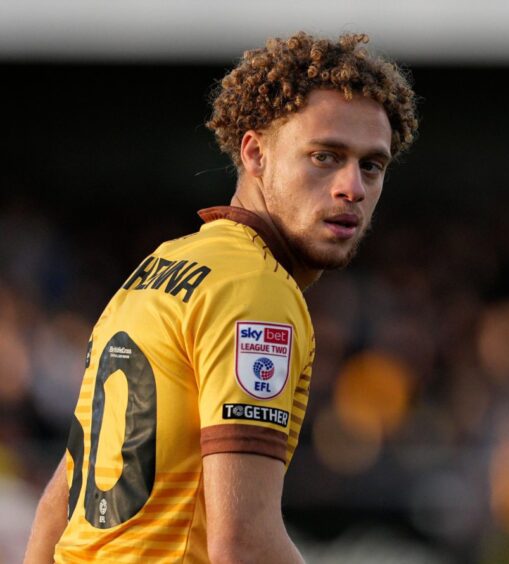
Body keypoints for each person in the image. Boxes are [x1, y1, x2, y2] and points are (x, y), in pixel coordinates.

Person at [24, 31, 418, 563]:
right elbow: (245, 545)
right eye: (325, 157)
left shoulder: (160, 265)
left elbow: (60, 502)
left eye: (371, 165)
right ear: (254, 153)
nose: (352, 187)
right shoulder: (255, 292)